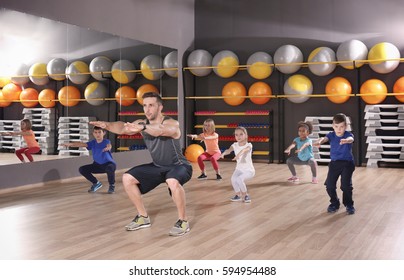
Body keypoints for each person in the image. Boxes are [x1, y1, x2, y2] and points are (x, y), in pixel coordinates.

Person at [90, 92, 192, 237]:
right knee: (127, 178)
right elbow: (122, 127)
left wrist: (142, 127)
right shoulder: (142, 123)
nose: (147, 109)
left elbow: (160, 131)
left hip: (179, 166)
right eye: (144, 105)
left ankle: (183, 221)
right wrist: (106, 125)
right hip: (157, 166)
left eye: (151, 105)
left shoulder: (171, 123)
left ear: (160, 107)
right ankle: (143, 217)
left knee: (172, 180)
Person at [313, 113, 355, 215]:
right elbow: (325, 138)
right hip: (334, 164)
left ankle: (349, 204)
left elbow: (351, 139)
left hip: (347, 164)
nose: (339, 129)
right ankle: (335, 203)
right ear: (333, 126)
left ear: (345, 126)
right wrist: (320, 141)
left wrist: (346, 141)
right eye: (336, 126)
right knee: (329, 185)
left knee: (346, 186)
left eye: (341, 126)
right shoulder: (331, 135)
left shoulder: (348, 135)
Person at [62, 126, 116, 194]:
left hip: (108, 164)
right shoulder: (92, 143)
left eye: (99, 132)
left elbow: (109, 145)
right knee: (82, 169)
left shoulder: (106, 141)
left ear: (104, 133)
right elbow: (82, 144)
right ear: (93, 133)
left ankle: (112, 185)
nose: (97, 134)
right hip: (97, 165)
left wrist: (108, 148)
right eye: (95, 132)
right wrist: (71, 144)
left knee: (110, 168)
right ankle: (96, 183)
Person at [220, 126, 255, 203]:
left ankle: (246, 195)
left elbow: (244, 150)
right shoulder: (234, 145)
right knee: (233, 179)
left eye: (241, 134)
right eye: (236, 135)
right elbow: (229, 150)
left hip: (249, 170)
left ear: (246, 135)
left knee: (239, 179)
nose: (238, 136)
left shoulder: (249, 145)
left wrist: (239, 154)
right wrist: (223, 153)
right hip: (239, 169)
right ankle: (238, 195)